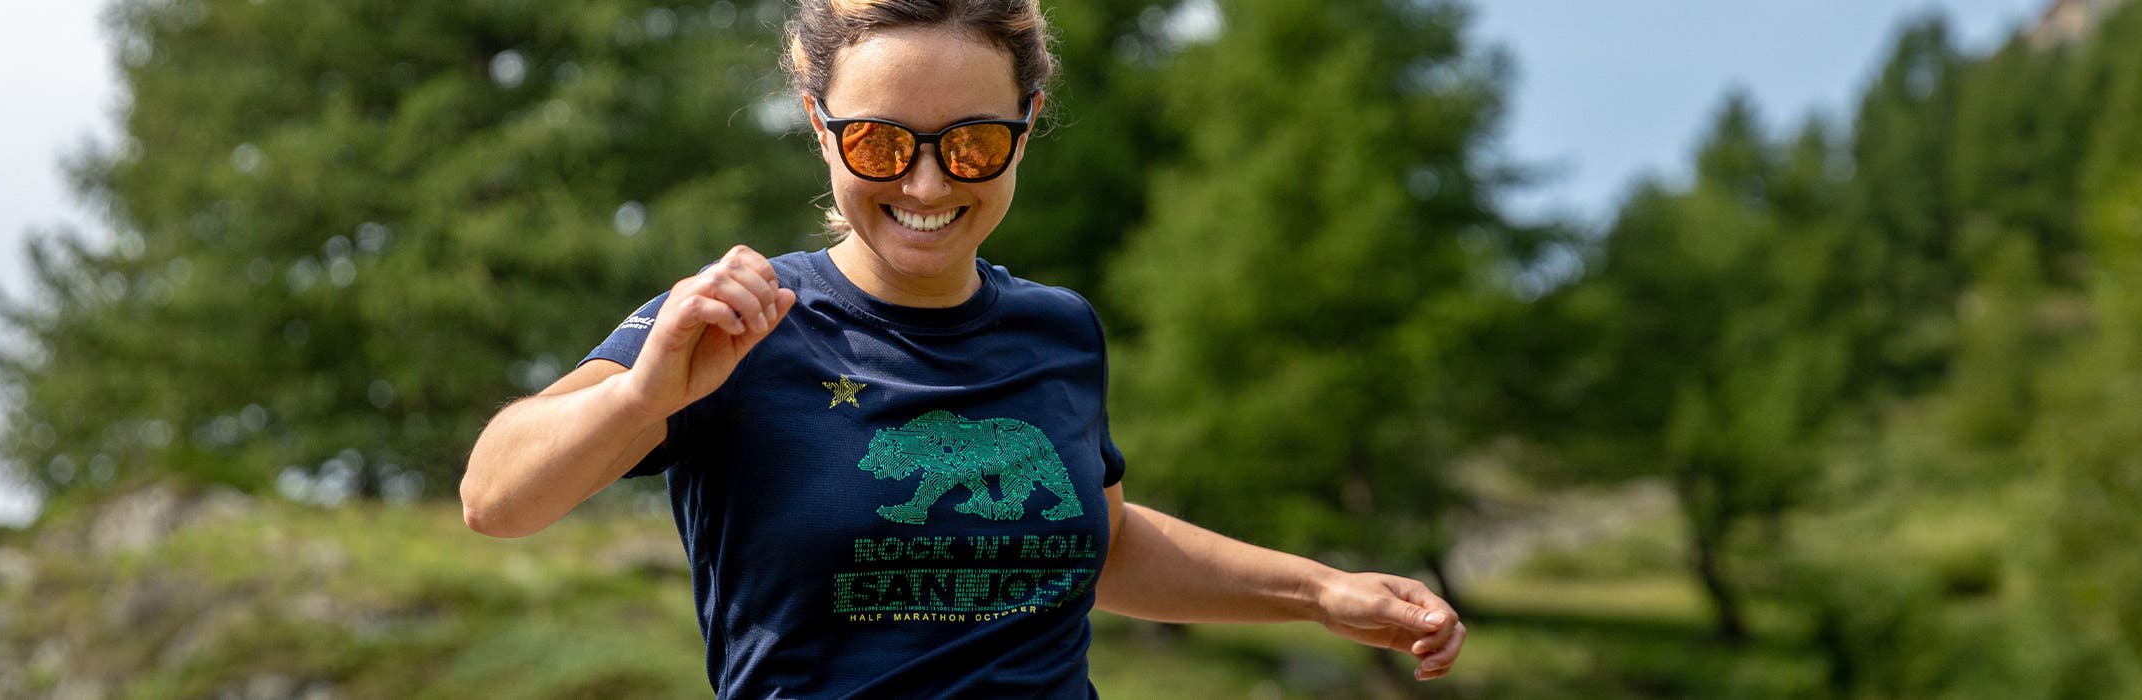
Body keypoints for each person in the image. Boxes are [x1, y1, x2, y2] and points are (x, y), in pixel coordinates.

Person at [455, 0, 1467, 696]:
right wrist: (641, 396)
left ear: (1027, 125)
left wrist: (1322, 592)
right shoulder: (737, 322)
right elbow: (495, 498)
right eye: (882, 143)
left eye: (972, 142)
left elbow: (1096, 541)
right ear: (819, 127)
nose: (930, 186)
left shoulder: (1058, 331)